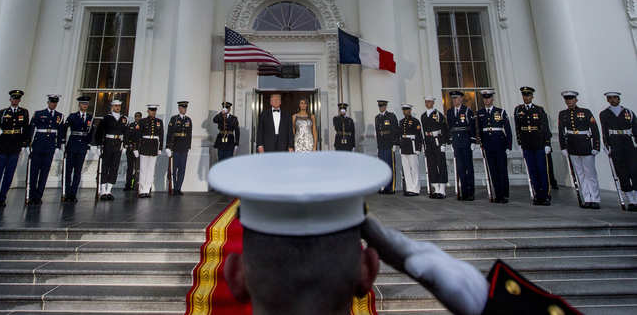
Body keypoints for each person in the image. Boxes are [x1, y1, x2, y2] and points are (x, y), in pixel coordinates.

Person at [203, 152, 580, 315]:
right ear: (369, 269)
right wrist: (480, 297)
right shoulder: (369, 270)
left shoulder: (234, 277)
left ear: (234, 275)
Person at [558, 90, 601, 209]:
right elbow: (562, 132)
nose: (569, 101)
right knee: (580, 174)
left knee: (590, 174)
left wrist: (596, 146)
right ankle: (587, 198)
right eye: (567, 99)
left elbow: (595, 130)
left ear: (576, 100)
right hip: (572, 146)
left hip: (585, 145)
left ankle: (595, 198)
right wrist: (563, 147)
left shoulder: (585, 112)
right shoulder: (563, 114)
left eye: (571, 99)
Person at [0, 89, 29, 207]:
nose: (15, 100)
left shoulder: (24, 112)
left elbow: (26, 129)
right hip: (3, 143)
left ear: (19, 100)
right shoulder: (3, 112)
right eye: (14, 98)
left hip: (15, 144)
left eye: (17, 98)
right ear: (10, 99)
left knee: (9, 173)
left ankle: (2, 197)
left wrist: (25, 143)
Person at [514, 86, 552, 206]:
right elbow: (518, 128)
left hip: (539, 143)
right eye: (524, 95)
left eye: (528, 95)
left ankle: (545, 195)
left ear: (532, 96)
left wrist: (547, 143)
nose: (526, 97)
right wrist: (520, 143)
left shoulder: (539, 110)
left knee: (542, 170)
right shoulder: (518, 110)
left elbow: (545, 127)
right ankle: (537, 194)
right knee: (532, 171)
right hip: (527, 144)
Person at [599, 91, 637, 211]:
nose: (612, 100)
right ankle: (630, 199)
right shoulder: (604, 114)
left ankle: (636, 196)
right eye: (610, 98)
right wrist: (606, 144)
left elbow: (635, 128)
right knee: (621, 172)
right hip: (615, 143)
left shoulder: (628, 112)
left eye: (615, 98)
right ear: (607, 100)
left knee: (634, 170)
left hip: (628, 143)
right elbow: (604, 131)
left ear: (619, 99)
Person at [475, 90, 512, 203]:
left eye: (488, 98)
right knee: (493, 171)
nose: (486, 100)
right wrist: (480, 143)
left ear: (492, 99)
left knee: (502, 169)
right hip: (488, 144)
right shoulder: (480, 113)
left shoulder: (500, 112)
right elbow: (479, 130)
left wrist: (509, 146)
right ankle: (498, 194)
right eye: (485, 98)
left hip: (499, 144)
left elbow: (508, 130)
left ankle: (504, 194)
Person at [27, 94, 64, 206]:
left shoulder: (59, 116)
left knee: (45, 171)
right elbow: (32, 129)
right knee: (34, 171)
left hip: (50, 145)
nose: (53, 104)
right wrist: (28, 144)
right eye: (52, 102)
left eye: (55, 102)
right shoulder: (39, 113)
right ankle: (32, 194)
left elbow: (61, 131)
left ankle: (39, 196)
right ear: (48, 102)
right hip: (39, 144)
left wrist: (58, 146)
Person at [61, 95, 94, 203]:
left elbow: (91, 132)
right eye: (83, 104)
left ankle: (73, 194)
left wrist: (88, 143)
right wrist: (62, 142)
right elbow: (64, 129)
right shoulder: (72, 116)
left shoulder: (90, 117)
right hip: (72, 145)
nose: (85, 106)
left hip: (82, 146)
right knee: (68, 170)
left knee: (77, 171)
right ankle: (67, 192)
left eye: (86, 104)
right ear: (79, 105)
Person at [94, 98, 128, 201]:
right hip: (108, 142)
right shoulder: (106, 118)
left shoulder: (124, 119)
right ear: (112, 107)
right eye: (115, 106)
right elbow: (99, 131)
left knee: (114, 167)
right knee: (105, 166)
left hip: (118, 144)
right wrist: (99, 144)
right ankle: (103, 190)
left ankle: (109, 190)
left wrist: (125, 145)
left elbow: (126, 133)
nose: (117, 108)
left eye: (119, 106)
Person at [446, 90, 476, 201]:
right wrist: (450, 140)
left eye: (456, 98)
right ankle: (463, 192)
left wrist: (473, 141)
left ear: (461, 99)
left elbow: (472, 126)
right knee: (460, 168)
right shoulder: (449, 112)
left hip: (466, 141)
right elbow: (449, 127)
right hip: (457, 143)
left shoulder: (467, 110)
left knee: (468, 167)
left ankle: (470, 192)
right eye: (453, 98)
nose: (454, 100)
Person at [421, 96, 450, 199]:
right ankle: (436, 188)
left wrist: (444, 143)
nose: (428, 103)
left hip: (438, 141)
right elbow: (424, 132)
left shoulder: (438, 114)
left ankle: (442, 189)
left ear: (433, 103)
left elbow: (444, 129)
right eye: (426, 102)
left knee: (441, 164)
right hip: (429, 142)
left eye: (429, 102)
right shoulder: (423, 116)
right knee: (432, 165)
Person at [134, 104, 164, 198]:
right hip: (144, 146)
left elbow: (161, 136)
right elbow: (137, 135)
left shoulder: (159, 121)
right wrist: (135, 148)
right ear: (148, 111)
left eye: (154, 110)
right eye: (151, 110)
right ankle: (142, 189)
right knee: (143, 169)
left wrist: (160, 148)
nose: (153, 112)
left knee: (151, 170)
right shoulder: (142, 121)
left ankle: (147, 189)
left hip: (154, 146)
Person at [167, 100, 192, 195]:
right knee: (174, 168)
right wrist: (168, 147)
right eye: (183, 108)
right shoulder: (174, 119)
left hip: (184, 146)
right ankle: (173, 187)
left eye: (185, 108)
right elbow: (170, 133)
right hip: (176, 146)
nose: (184, 109)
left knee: (182, 168)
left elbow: (189, 134)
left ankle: (178, 188)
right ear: (179, 108)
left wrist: (188, 146)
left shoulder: (188, 120)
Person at [375, 99, 399, 194]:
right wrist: (378, 145)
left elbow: (395, 130)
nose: (381, 108)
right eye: (380, 106)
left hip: (389, 145)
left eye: (382, 106)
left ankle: (390, 187)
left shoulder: (391, 116)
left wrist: (395, 144)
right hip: (381, 145)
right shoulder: (377, 118)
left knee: (390, 166)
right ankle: (383, 186)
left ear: (385, 106)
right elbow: (378, 132)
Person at [398, 104, 423, 196]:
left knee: (414, 168)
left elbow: (419, 135)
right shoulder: (401, 122)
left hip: (412, 145)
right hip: (404, 146)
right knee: (406, 169)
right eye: (404, 110)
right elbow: (399, 135)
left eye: (407, 110)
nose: (406, 111)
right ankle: (409, 188)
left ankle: (415, 189)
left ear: (410, 110)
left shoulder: (415, 121)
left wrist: (418, 148)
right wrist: (400, 146)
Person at [125, 111, 142, 191]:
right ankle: (128, 185)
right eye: (136, 116)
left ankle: (135, 184)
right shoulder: (131, 125)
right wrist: (128, 145)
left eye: (139, 116)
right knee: (130, 168)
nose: (137, 118)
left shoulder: (142, 126)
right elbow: (126, 136)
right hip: (131, 149)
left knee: (138, 168)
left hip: (139, 149)